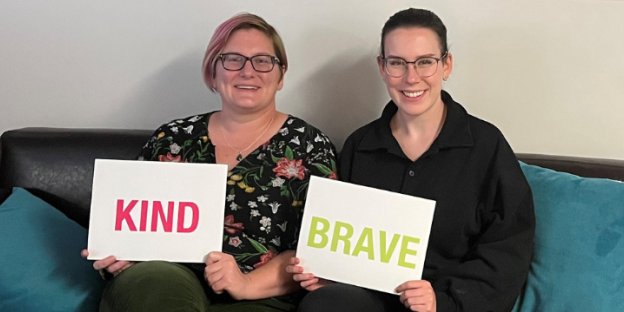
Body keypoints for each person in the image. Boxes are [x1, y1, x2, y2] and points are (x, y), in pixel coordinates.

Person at [81, 12, 337, 312]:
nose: (248, 71)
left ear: (280, 75)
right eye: (233, 59)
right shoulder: (172, 138)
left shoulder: (309, 146)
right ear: (213, 73)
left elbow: (315, 253)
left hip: (261, 295)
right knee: (154, 285)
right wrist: (121, 254)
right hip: (166, 279)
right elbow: (129, 225)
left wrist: (245, 284)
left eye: (263, 60)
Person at [287, 8, 535, 312]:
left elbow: (508, 249)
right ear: (382, 66)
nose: (411, 77)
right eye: (397, 63)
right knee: (322, 303)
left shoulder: (486, 145)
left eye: (425, 62)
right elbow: (345, 240)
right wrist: (329, 275)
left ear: (446, 65)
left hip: (449, 304)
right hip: (372, 300)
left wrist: (442, 301)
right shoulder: (360, 146)